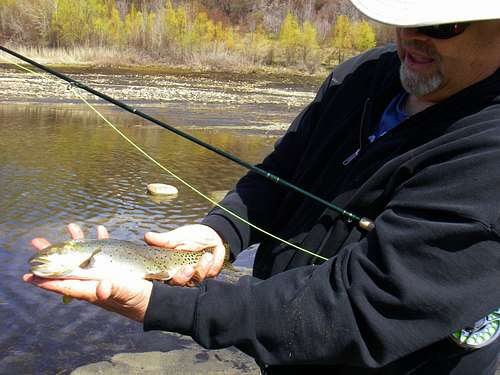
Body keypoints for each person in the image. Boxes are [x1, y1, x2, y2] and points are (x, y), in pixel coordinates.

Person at [23, 0, 500, 374]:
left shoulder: (488, 156)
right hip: (290, 352)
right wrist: (221, 233)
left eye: (443, 26)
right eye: (402, 19)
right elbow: (282, 172)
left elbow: (358, 307)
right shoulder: (362, 78)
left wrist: (165, 304)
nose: (411, 39)